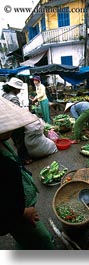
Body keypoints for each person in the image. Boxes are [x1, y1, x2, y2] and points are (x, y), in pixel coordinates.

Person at [0, 96, 55, 250]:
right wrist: (22, 212)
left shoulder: (4, 141)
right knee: (43, 239)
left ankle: (27, 243)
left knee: (25, 237)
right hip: (16, 212)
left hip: (21, 202)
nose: (11, 127)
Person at [2, 77, 32, 165]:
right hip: (15, 123)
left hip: (7, 122)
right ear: (15, 88)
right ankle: (24, 159)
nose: (19, 91)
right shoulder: (13, 98)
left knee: (15, 141)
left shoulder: (4, 95)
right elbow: (17, 112)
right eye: (19, 89)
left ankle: (20, 157)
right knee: (20, 141)